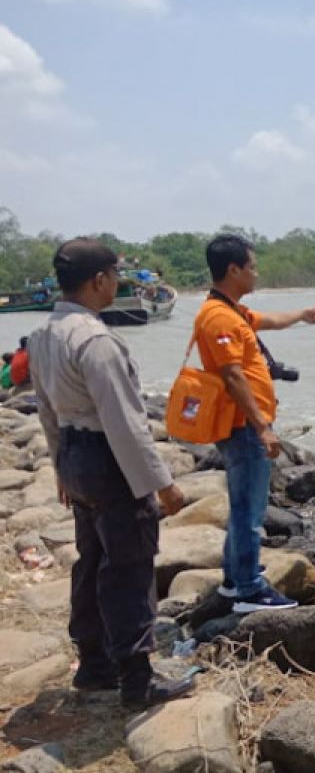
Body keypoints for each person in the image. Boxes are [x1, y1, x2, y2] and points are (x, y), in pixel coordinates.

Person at [27, 238, 193, 707]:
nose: (117, 283)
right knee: (128, 567)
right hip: (106, 457)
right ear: (99, 280)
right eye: (114, 276)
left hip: (76, 456)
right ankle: (138, 680)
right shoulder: (95, 340)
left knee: (91, 560)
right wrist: (164, 483)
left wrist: (61, 466)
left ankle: (95, 665)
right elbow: (125, 423)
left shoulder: (43, 336)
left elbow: (47, 411)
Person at [195, 233, 315, 613]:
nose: (256, 272)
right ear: (233, 269)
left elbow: (268, 320)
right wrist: (262, 427)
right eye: (251, 266)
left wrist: (302, 315)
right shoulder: (218, 318)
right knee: (249, 511)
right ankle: (250, 590)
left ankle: (236, 578)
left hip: (243, 425)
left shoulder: (230, 310)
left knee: (243, 506)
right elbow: (233, 376)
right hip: (242, 426)